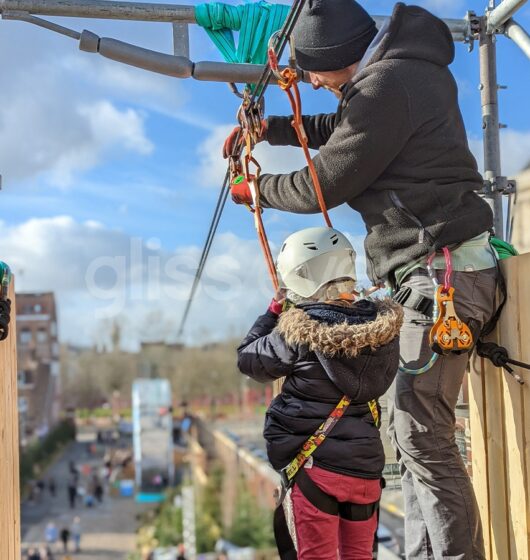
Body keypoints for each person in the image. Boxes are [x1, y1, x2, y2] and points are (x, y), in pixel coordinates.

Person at [225, 2, 497, 558]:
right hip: (446, 272)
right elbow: (346, 128)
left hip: (439, 277)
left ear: (333, 56)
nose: (314, 84)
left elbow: (325, 184)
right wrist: (273, 129)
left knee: (424, 440)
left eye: (312, 72)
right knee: (415, 438)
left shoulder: (384, 88)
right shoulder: (398, 76)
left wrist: (259, 190)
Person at [237, 227, 403, 560]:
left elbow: (248, 359)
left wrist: (274, 311)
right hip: (366, 472)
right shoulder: (382, 332)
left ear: (298, 278)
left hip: (317, 470)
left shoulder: (297, 333)